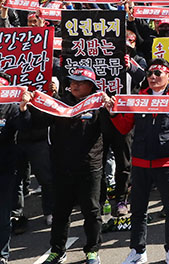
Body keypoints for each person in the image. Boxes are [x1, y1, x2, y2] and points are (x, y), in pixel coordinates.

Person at [108, 58, 169, 264]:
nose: (152, 77)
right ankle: (138, 251)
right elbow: (124, 128)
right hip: (140, 162)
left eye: (158, 73)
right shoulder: (138, 98)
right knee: (138, 210)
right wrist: (113, 114)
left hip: (167, 162)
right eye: (149, 73)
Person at [38, 68, 113, 264]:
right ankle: (57, 250)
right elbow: (38, 121)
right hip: (62, 167)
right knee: (60, 212)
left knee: (92, 211)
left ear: (91, 86)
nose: (75, 85)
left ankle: (92, 250)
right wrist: (27, 104)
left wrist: (109, 110)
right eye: (72, 81)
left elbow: (111, 132)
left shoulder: (98, 106)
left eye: (80, 82)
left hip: (90, 167)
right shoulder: (58, 103)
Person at [0, 76, 31, 264]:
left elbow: (25, 126)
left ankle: (2, 254)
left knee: (3, 216)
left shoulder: (11, 107)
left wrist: (23, 108)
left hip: (5, 169)